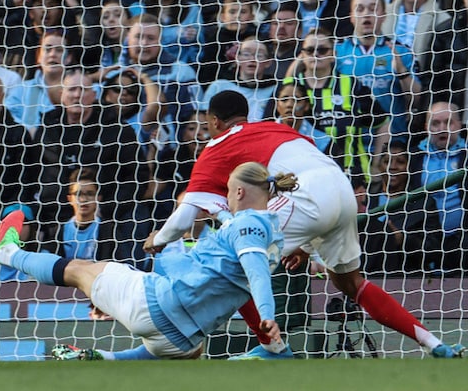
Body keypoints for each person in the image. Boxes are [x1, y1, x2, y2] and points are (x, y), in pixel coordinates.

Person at [144, 90, 465, 359]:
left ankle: (272, 346)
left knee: (233, 263)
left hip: (307, 195)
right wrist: (301, 242)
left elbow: (185, 216)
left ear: (213, 122)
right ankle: (435, 345)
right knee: (351, 284)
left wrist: (159, 239)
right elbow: (301, 178)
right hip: (340, 190)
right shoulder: (276, 128)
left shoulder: (215, 149)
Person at [0, 161, 287, 360]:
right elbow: (246, 266)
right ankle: (105, 358)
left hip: (155, 303)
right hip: (181, 338)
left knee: (80, 270)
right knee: (188, 350)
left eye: (229, 196)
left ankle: (8, 252)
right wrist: (218, 213)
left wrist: (268, 316)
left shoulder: (247, 226)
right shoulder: (273, 232)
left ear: (238, 191)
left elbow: (256, 273)